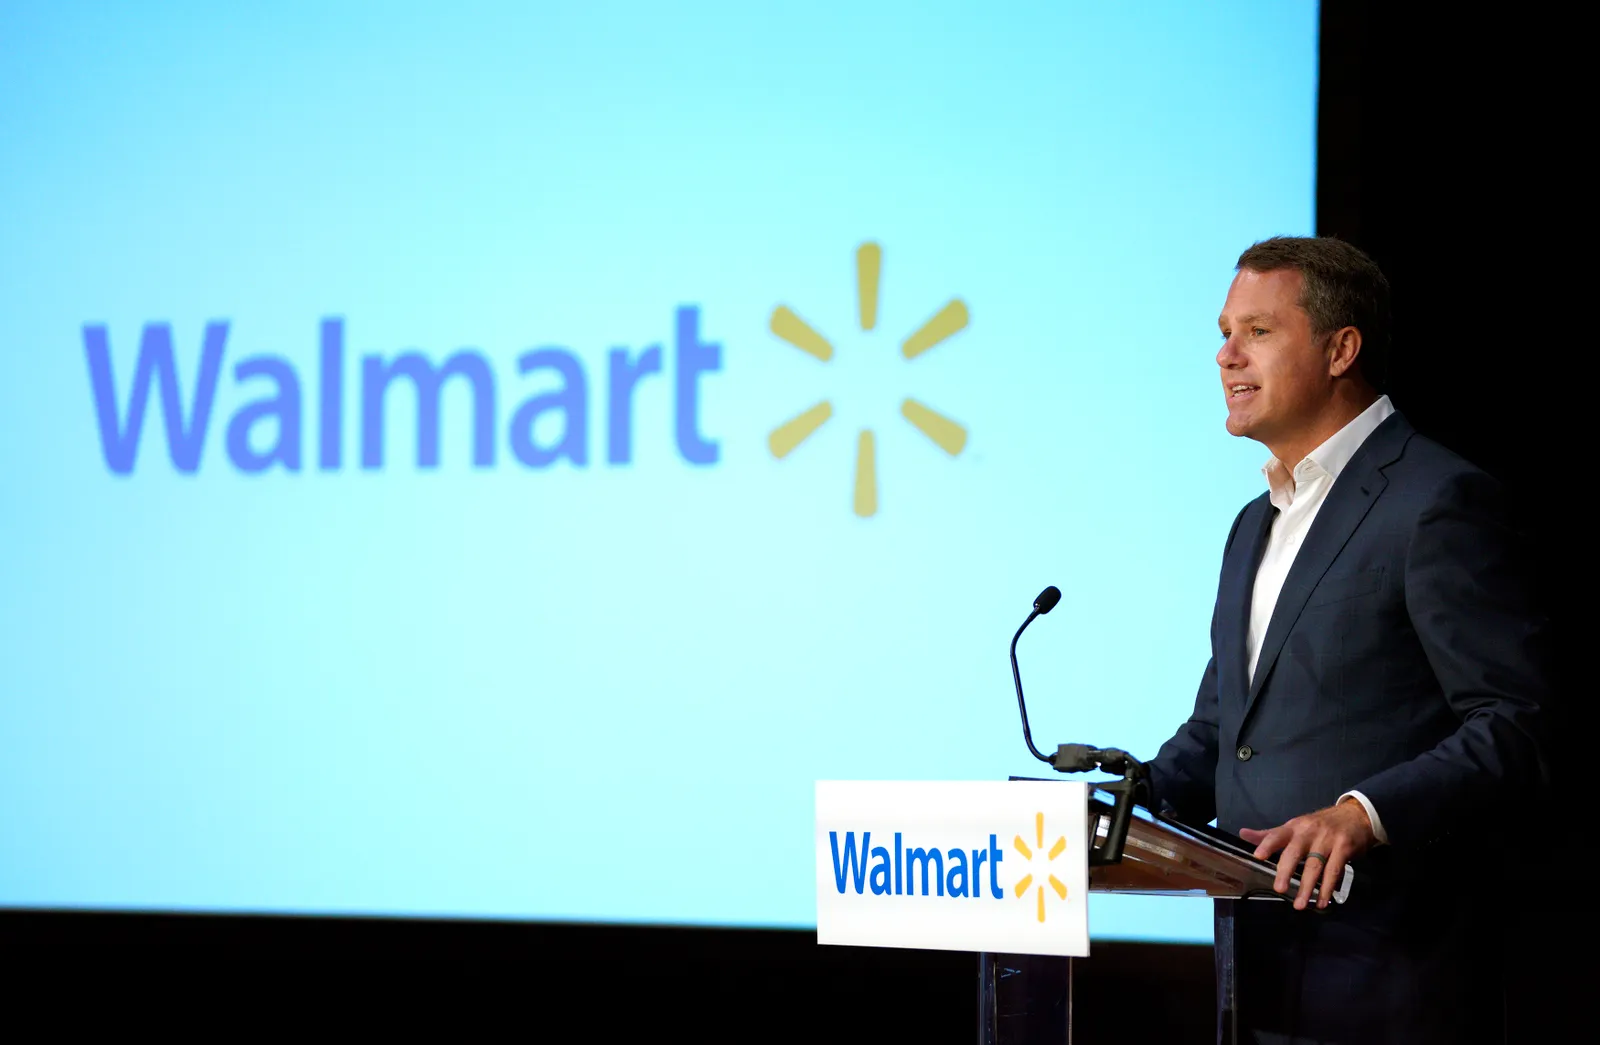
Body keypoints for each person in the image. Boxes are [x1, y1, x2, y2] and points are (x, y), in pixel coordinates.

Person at [1148, 237, 1549, 1044]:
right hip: (1256, 978)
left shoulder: (1437, 500)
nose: (1226, 357)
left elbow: (1517, 721)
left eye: (1257, 332)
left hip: (1390, 979)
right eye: (1225, 333)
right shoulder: (1251, 526)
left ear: (1341, 349)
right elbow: (1223, 731)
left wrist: (1363, 814)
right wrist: (1114, 802)